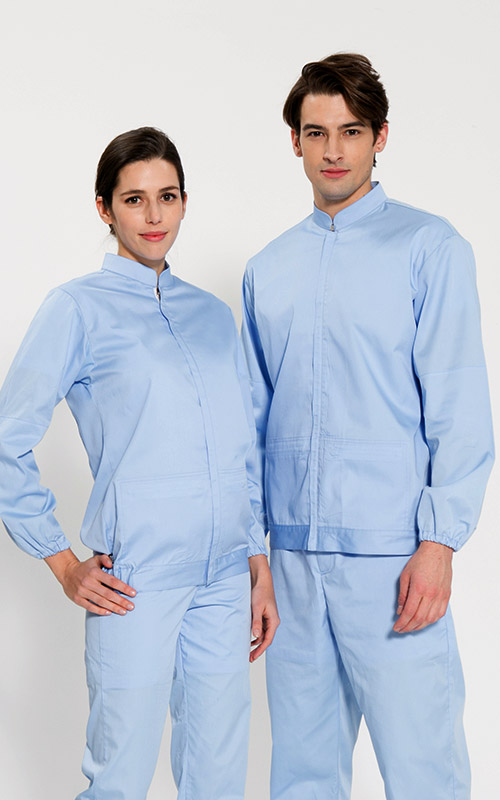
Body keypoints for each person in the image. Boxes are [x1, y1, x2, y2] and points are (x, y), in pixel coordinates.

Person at [241, 54, 493, 799]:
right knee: (302, 778)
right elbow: (250, 425)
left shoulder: (430, 248)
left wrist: (439, 543)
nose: (333, 150)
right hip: (292, 562)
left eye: (350, 131)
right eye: (316, 132)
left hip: (395, 560)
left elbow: (459, 406)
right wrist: (255, 555)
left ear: (380, 137)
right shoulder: (268, 268)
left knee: (424, 773)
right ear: (295, 140)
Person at [0, 126, 279, 800]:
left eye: (168, 196)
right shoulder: (77, 310)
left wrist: (257, 560)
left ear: (184, 201)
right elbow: (7, 439)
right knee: (119, 779)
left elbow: (241, 446)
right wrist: (62, 563)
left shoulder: (212, 316)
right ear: (105, 208)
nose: (154, 216)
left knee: (218, 779)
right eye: (134, 199)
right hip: (136, 584)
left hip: (223, 582)